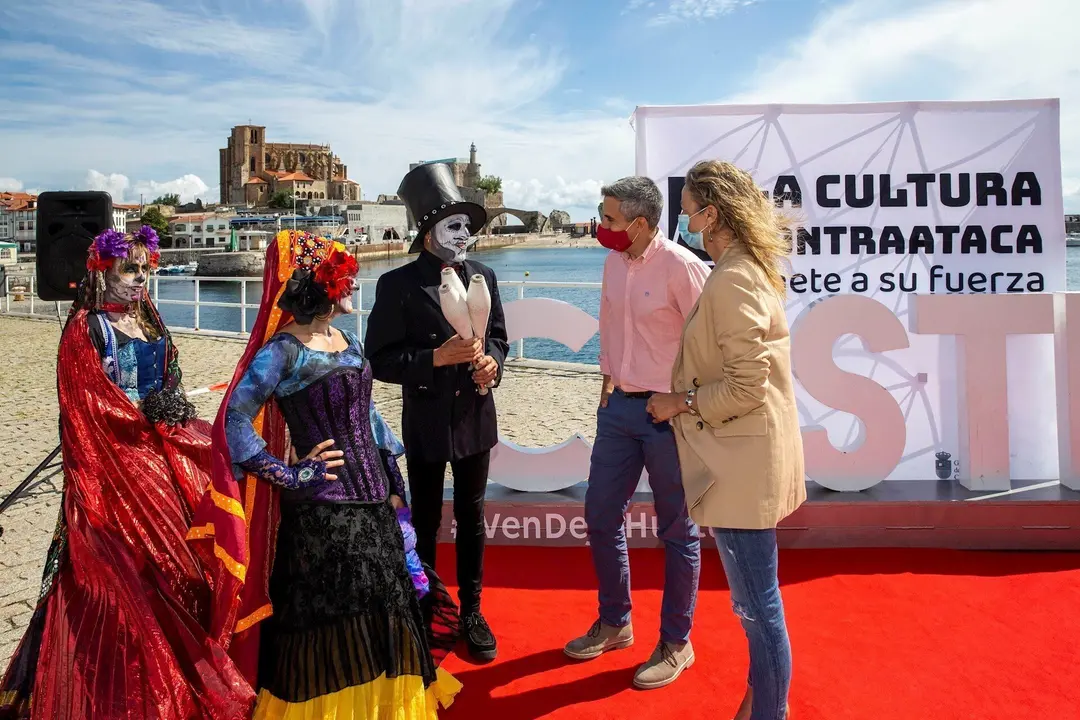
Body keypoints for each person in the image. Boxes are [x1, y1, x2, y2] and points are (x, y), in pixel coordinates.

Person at [188, 230, 461, 719]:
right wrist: (290, 475)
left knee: (385, 605)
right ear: (322, 286)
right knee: (333, 615)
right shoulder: (283, 350)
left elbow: (368, 414)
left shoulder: (346, 338)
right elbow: (232, 420)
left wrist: (393, 480)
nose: (353, 288)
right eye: (347, 280)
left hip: (375, 501)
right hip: (324, 511)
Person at [0, 227, 253, 719]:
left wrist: (173, 409)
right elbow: (85, 407)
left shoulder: (152, 323)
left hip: (164, 454)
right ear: (103, 271)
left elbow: (171, 377)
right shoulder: (84, 330)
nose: (141, 279)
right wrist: (143, 420)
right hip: (115, 464)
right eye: (130, 270)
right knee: (126, 573)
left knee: (190, 558)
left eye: (145, 269)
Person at [646, 160, 805, 720]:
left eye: (689, 213)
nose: (685, 223)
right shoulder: (744, 268)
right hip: (745, 458)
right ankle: (764, 699)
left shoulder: (735, 276)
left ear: (712, 214)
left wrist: (680, 403)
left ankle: (770, 710)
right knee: (759, 602)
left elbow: (745, 386)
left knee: (758, 606)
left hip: (739, 465)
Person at [564, 176, 710, 690]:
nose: (601, 228)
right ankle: (615, 622)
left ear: (641, 224)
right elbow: (610, 326)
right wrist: (608, 380)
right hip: (618, 410)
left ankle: (676, 642)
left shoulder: (684, 268)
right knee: (600, 514)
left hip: (668, 416)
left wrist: (685, 403)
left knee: (678, 530)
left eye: (609, 220)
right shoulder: (611, 263)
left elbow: (711, 343)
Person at [365, 162, 509, 663]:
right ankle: (425, 607)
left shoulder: (485, 276)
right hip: (426, 420)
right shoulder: (398, 285)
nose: (464, 234)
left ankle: (471, 610)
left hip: (475, 418)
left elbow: (499, 339)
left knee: (472, 517)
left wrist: (494, 363)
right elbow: (378, 359)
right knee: (424, 519)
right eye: (454, 225)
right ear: (428, 233)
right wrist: (433, 358)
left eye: (468, 226)